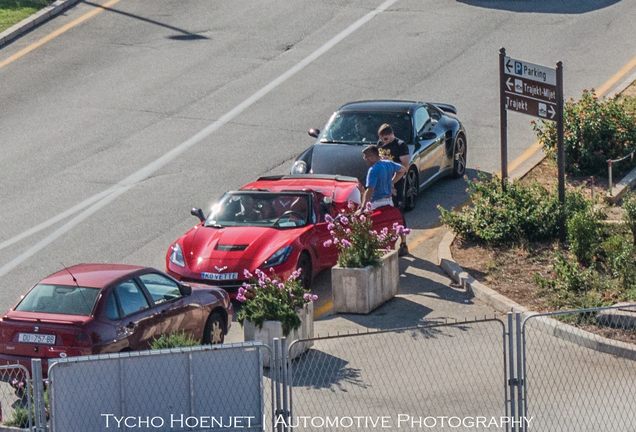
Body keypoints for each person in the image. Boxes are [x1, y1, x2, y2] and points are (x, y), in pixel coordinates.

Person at [377, 123, 410, 256]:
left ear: (391, 134)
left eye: (386, 139)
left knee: (398, 211)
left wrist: (391, 183)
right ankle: (385, 242)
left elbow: (404, 167)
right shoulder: (380, 144)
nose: (384, 142)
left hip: (396, 183)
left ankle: (403, 243)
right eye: (382, 139)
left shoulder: (400, 145)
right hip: (383, 183)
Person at [361, 145, 406, 212]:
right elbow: (403, 170)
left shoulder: (373, 170)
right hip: (389, 202)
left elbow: (370, 190)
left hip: (376, 204)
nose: (365, 159)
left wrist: (362, 208)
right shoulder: (388, 163)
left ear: (372, 157)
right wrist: (391, 182)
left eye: (366, 157)